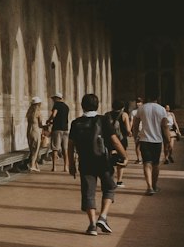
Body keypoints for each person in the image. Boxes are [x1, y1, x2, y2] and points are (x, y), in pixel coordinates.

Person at [68, 93, 127, 235]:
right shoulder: (103, 120)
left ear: (82, 106)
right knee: (109, 188)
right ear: (97, 105)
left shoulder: (76, 123)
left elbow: (70, 145)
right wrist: (124, 155)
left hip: (85, 162)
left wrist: (71, 164)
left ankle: (92, 225)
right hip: (103, 161)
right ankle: (103, 216)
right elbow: (114, 140)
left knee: (89, 193)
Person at [134, 92, 173, 194]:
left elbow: (136, 124)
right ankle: (155, 186)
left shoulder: (141, 108)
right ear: (158, 98)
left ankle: (149, 187)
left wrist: (135, 137)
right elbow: (165, 126)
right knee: (155, 164)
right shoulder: (161, 109)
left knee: (147, 163)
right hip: (157, 140)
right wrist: (168, 139)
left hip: (144, 139)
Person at [105, 100, 131, 187]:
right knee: (121, 159)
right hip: (121, 140)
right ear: (122, 107)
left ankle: (110, 179)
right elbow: (128, 129)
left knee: (109, 158)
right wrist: (129, 132)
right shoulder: (124, 115)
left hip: (109, 139)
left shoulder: (107, 114)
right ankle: (119, 181)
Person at [47, 92, 70, 172]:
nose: (53, 100)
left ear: (57, 98)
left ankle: (54, 167)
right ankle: (65, 167)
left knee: (55, 148)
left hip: (57, 129)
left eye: (53, 98)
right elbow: (62, 118)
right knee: (65, 149)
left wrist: (49, 120)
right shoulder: (66, 107)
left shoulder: (56, 105)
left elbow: (54, 115)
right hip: (65, 129)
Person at [26, 97, 44, 170]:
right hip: (35, 131)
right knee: (36, 149)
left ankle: (35, 165)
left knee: (31, 149)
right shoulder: (38, 113)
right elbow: (40, 125)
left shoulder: (29, 113)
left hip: (29, 131)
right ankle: (32, 165)